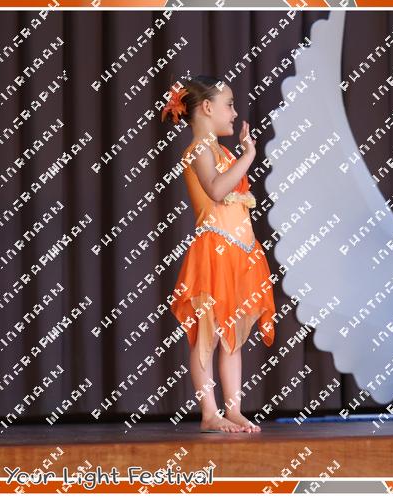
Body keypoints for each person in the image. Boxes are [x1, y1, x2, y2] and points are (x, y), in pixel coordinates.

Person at [162, 73, 277, 433]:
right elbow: (215, 190)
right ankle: (209, 413)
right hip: (214, 252)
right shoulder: (199, 149)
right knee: (207, 336)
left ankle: (234, 409)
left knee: (232, 338)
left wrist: (241, 157)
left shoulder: (223, 152)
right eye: (229, 105)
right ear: (208, 108)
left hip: (239, 253)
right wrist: (250, 155)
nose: (234, 112)